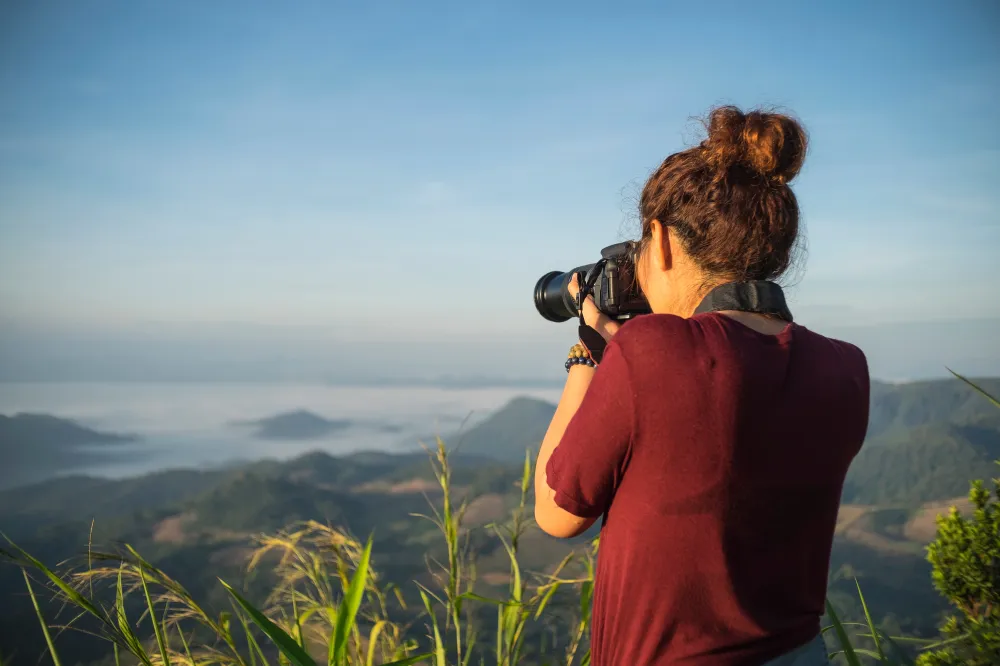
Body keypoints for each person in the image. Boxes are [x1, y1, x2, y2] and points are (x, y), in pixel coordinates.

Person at [533, 106, 870, 666]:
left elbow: (556, 512)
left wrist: (589, 353)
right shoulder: (846, 369)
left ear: (660, 241)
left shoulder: (650, 353)